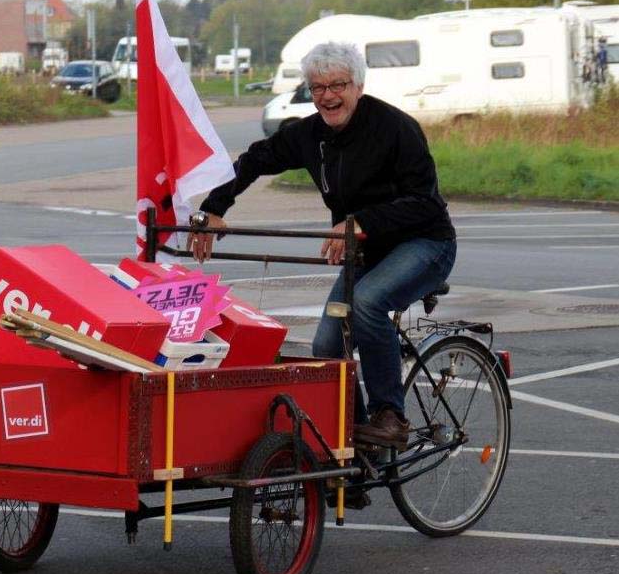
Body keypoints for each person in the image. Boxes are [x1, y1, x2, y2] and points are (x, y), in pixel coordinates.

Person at [187, 42, 456, 451]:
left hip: (424, 243)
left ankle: (391, 418)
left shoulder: (395, 128)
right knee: (327, 346)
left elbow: (424, 202)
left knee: (366, 301)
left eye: (338, 85)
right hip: (367, 250)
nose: (328, 96)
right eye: (317, 88)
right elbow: (255, 159)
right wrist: (212, 209)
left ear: (358, 86)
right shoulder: (310, 134)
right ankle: (359, 444)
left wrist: (362, 222)